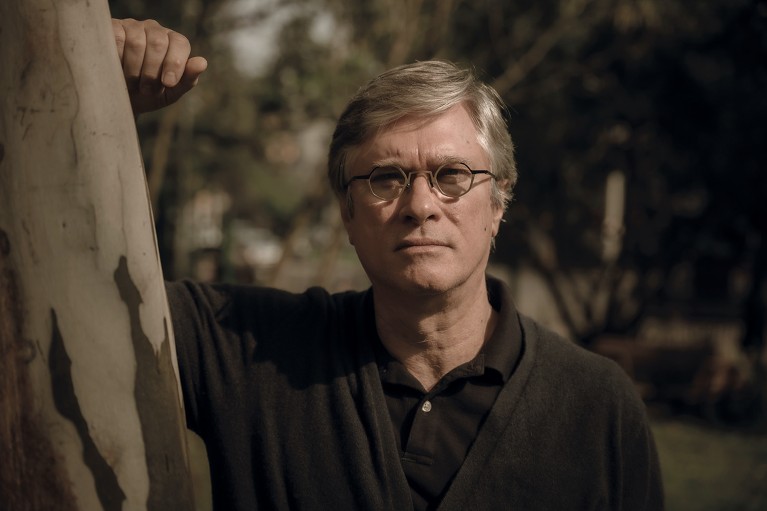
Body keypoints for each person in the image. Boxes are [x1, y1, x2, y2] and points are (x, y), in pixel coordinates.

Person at [113, 19, 664, 511]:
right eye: (385, 179)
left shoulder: (598, 408)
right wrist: (94, 89)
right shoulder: (247, 352)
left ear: (498, 203)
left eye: (451, 176)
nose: (420, 205)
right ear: (348, 215)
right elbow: (84, 299)